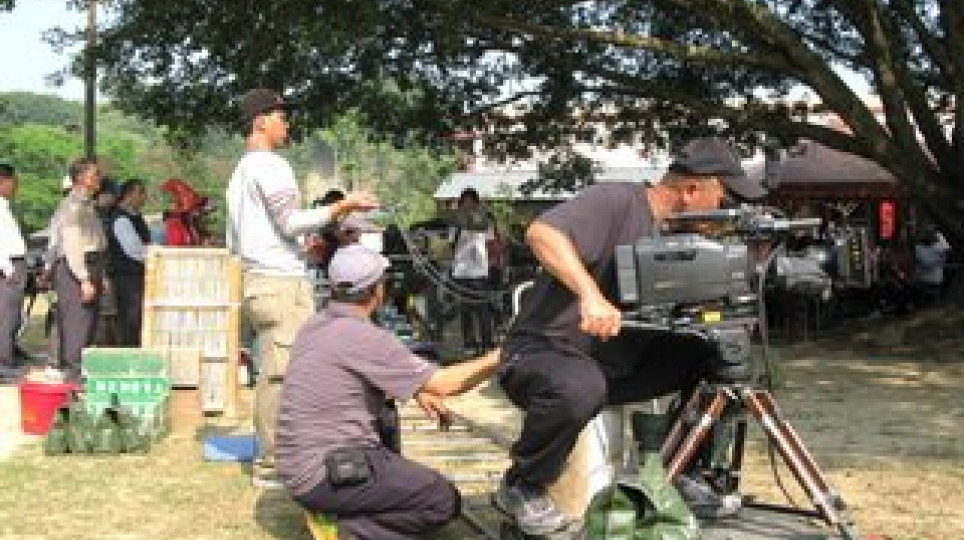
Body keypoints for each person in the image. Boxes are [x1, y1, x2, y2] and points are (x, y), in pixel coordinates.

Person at [493, 137, 767, 536]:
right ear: (692, 190)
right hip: (544, 354)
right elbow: (541, 233)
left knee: (723, 355)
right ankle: (522, 485)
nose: (728, 210)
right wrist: (590, 295)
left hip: (617, 365)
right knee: (579, 386)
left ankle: (684, 472)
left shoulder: (684, 234)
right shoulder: (617, 201)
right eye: (724, 198)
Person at [277, 243, 500, 540]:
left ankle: (347, 506)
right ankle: (345, 530)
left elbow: (367, 372)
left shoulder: (316, 325)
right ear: (377, 290)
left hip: (298, 468)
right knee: (441, 500)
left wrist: (417, 390)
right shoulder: (364, 337)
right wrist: (501, 356)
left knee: (385, 411)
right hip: (325, 475)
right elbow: (446, 384)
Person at [225, 87, 378, 489]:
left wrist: (294, 249)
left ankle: (278, 456)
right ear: (261, 122)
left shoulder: (241, 172)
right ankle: (272, 464)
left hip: (259, 278)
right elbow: (291, 222)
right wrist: (344, 206)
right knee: (281, 375)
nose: (287, 123)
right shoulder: (270, 165)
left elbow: (241, 240)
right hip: (279, 283)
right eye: (281, 116)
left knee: (277, 370)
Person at [47, 157, 108, 383]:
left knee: (89, 324)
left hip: (93, 264)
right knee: (77, 324)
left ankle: (80, 376)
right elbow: (72, 246)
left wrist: (101, 275)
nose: (99, 178)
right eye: (94, 174)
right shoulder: (72, 206)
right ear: (81, 178)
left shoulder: (87, 205)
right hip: (76, 268)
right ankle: (73, 377)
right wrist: (83, 278)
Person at [449, 188, 496, 355]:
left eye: (471, 202)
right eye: (465, 202)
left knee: (483, 308)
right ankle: (469, 343)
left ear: (476, 204)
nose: (468, 206)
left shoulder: (485, 221)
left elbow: (491, 244)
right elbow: (451, 244)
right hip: (461, 271)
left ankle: (487, 342)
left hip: (480, 271)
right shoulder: (456, 223)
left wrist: (493, 263)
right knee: (465, 310)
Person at [107, 178, 151, 346]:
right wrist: (155, 255)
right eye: (141, 193)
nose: (144, 197)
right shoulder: (121, 219)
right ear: (129, 195)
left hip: (135, 276)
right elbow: (134, 250)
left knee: (137, 320)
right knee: (130, 319)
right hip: (126, 278)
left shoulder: (135, 217)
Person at [0, 163, 28, 381]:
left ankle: (8, 358)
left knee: (14, 315)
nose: (16, 185)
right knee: (6, 317)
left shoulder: (5, 206)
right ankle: (4, 363)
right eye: (13, 181)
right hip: (8, 265)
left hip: (15, 263)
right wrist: (7, 267)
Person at [913, 224, 951, 306]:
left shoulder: (940, 246)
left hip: (936, 280)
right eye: (927, 233)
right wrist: (939, 260)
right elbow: (925, 263)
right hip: (923, 280)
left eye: (931, 233)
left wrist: (939, 235)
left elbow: (948, 250)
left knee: (935, 304)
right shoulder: (919, 247)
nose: (929, 235)